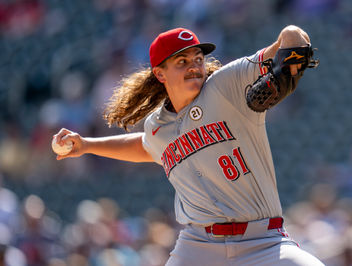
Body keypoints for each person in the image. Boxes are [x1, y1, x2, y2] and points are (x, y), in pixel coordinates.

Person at [53, 26, 324, 265]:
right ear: (160, 73)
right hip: (199, 246)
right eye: (182, 61)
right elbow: (147, 147)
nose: (194, 66)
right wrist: (86, 145)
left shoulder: (226, 85)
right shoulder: (157, 127)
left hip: (263, 242)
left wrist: (285, 67)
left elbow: (292, 36)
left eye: (198, 58)